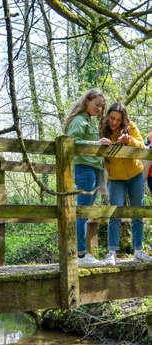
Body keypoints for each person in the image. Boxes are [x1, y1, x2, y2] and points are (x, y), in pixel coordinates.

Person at [100, 102, 152, 265]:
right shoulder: (103, 129)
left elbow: (143, 147)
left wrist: (129, 140)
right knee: (115, 213)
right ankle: (112, 252)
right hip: (116, 179)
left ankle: (138, 251)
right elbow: (97, 152)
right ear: (108, 116)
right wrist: (101, 145)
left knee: (137, 212)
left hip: (135, 175)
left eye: (118, 119)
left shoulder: (130, 127)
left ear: (123, 120)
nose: (114, 122)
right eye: (112, 118)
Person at [64, 88, 110, 267]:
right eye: (96, 104)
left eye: (101, 106)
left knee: (86, 210)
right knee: (82, 210)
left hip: (92, 168)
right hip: (84, 168)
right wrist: (96, 143)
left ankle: (82, 253)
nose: (99, 109)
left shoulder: (88, 121)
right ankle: (81, 255)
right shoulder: (79, 120)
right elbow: (71, 142)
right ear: (87, 101)